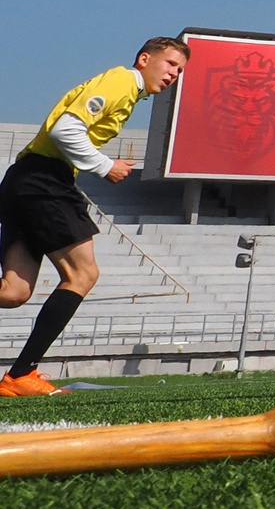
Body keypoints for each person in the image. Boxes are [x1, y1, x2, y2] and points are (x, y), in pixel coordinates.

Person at [1, 39, 190, 396]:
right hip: (44, 180)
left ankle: (20, 376)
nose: (173, 74)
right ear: (144, 59)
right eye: (170, 64)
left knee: (14, 292)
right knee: (83, 273)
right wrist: (105, 166)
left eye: (179, 70)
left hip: (26, 180)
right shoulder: (121, 82)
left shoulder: (128, 93)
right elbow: (64, 130)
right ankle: (21, 375)